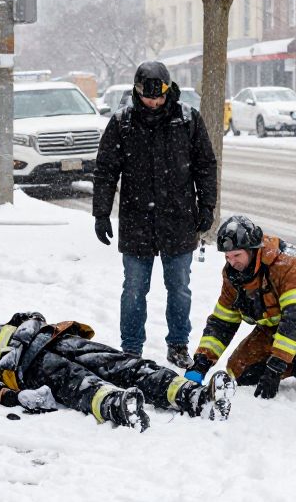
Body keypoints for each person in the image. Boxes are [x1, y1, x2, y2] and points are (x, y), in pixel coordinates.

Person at [0, 313, 235, 431]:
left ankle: (194, 396)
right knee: (81, 384)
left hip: (52, 338)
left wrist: (25, 317)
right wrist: (14, 397)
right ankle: (117, 407)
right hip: (26, 365)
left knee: (124, 364)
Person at [92, 61, 217, 368]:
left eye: (158, 96)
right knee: (134, 288)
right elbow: (106, 171)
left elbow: (205, 165)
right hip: (137, 221)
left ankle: (178, 344)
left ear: (167, 90)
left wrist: (207, 206)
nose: (154, 102)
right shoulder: (122, 122)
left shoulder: (188, 120)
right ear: (137, 92)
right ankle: (131, 348)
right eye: (148, 97)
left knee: (179, 287)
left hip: (179, 219)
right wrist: (101, 213)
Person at [185, 216, 296, 400]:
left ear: (253, 250)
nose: (232, 262)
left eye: (237, 255)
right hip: (277, 321)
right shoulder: (234, 275)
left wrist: (276, 366)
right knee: (238, 371)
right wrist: (202, 361)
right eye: (227, 257)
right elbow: (223, 321)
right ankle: (295, 362)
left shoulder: (290, 265)